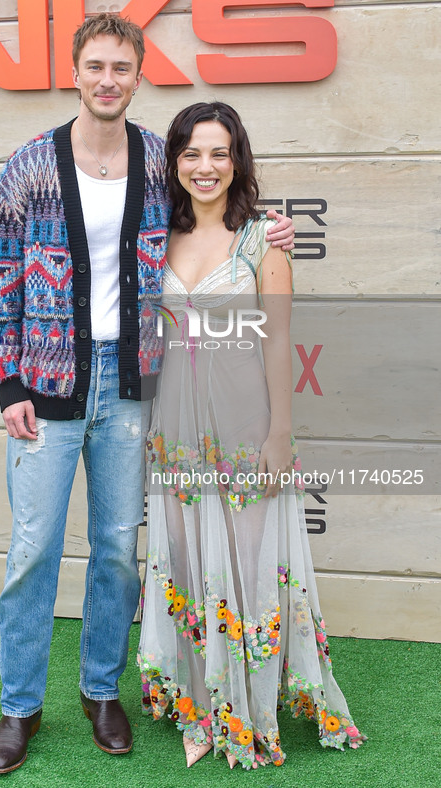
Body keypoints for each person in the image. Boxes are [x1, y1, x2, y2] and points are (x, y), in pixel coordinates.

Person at [0, 14, 295, 774]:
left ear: (139, 72)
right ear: (76, 72)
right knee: (32, 552)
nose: (108, 79)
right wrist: (8, 383)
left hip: (131, 389)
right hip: (46, 390)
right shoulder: (26, 167)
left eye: (122, 66)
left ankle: (100, 690)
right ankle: (19, 707)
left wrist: (266, 230)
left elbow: (211, 208)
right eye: (96, 66)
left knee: (119, 550)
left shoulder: (159, 160)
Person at [138, 102, 365, 770]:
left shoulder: (262, 239)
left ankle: (246, 710)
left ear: (236, 161)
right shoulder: (155, 237)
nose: (204, 168)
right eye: (190, 154)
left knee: (244, 569)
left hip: (243, 429)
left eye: (218, 153)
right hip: (174, 432)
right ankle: (199, 707)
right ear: (173, 162)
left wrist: (279, 436)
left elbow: (279, 343)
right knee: (183, 564)